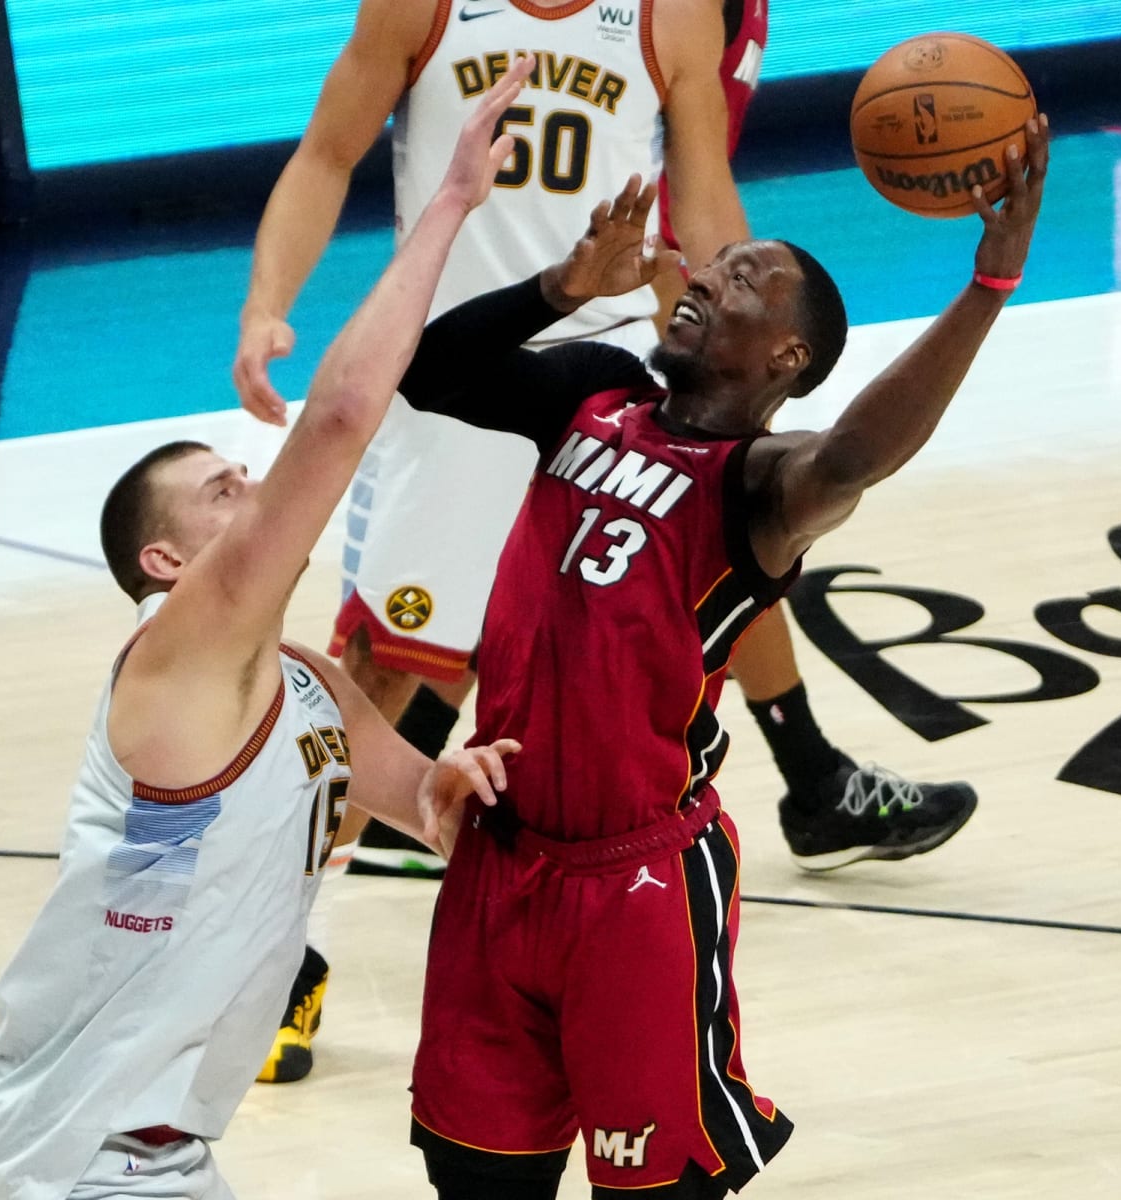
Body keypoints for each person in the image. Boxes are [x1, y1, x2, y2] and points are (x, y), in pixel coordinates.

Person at [233, 0, 975, 1080]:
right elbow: (327, 152)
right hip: (464, 358)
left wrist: (739, 321)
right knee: (384, 670)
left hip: (614, 356)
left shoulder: (666, 16)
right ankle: (286, 958)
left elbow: (707, 191)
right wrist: (266, 304)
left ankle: (808, 779)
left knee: (721, 555)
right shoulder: (423, 7)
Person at [401, 121, 1049, 1198]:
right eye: (716, 263)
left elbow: (854, 455)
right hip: (498, 863)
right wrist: (556, 289)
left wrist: (989, 282)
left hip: (636, 887)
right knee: (472, 1182)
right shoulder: (592, 392)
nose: (707, 275)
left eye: (745, 281)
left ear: (786, 358)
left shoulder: (760, 487)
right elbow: (427, 372)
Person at [0, 63, 533, 1200]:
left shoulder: (312, 685)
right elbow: (336, 421)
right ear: (166, 564)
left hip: (169, 1157)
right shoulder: (172, 655)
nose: (253, 492)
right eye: (221, 492)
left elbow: (430, 809)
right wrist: (452, 204)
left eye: (243, 476)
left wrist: (464, 783)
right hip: (60, 1162)